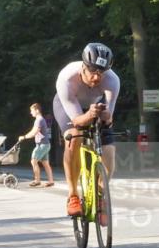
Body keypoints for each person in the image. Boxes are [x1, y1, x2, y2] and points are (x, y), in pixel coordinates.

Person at [53, 43, 120, 216]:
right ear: (84, 66)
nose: (97, 78)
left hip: (94, 105)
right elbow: (77, 120)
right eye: (93, 72)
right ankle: (73, 194)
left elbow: (109, 120)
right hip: (68, 106)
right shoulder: (66, 78)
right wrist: (89, 115)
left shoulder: (112, 80)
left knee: (109, 149)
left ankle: (100, 195)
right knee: (75, 136)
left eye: (101, 73)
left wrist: (105, 116)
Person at [19, 103, 55, 187]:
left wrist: (24, 137)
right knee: (45, 163)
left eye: (32, 111)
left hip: (42, 145)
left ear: (37, 110)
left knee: (33, 160)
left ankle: (37, 180)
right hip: (45, 145)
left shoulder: (39, 120)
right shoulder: (39, 120)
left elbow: (34, 132)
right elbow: (33, 131)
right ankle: (51, 181)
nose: (31, 112)